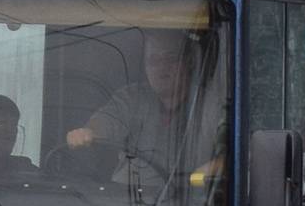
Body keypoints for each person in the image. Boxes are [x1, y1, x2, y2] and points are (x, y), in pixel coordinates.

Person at [66, 30, 214, 187]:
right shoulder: (132, 97)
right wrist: (88, 132)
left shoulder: (210, 103)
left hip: (185, 202)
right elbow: (106, 121)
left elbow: (229, 153)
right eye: (154, 60)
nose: (162, 67)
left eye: (171, 59)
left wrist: (211, 170)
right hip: (123, 201)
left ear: (189, 61)